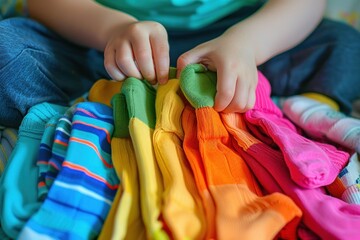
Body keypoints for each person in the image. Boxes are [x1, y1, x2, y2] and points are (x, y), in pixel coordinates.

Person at [0, 0, 359, 128]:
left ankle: (302, 116)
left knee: (345, 47)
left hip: (241, 38)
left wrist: (249, 44)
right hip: (100, 40)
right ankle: (88, 108)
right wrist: (115, 29)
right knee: (6, 49)